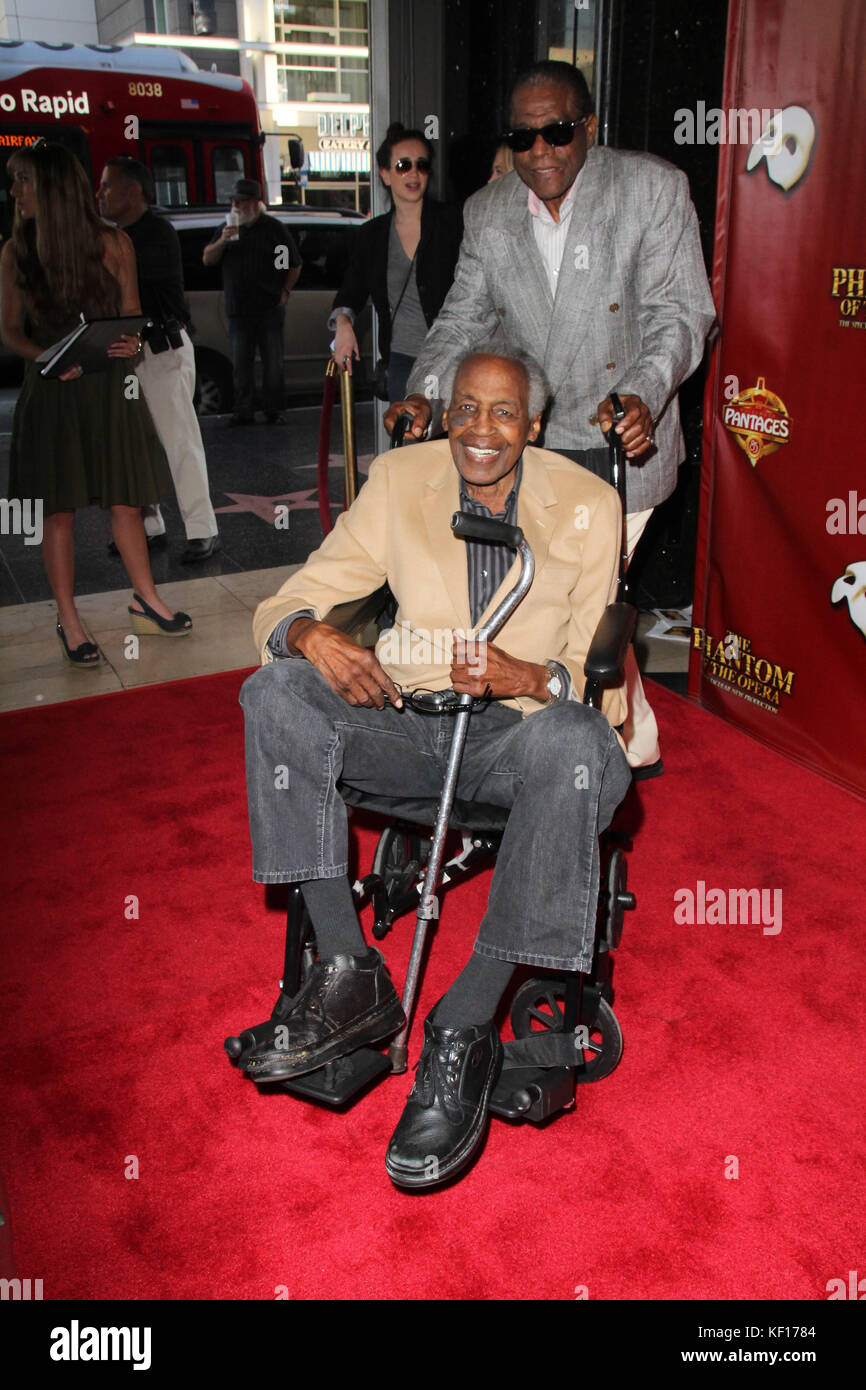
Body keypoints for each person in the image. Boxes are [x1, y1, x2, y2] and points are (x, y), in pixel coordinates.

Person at [236, 348, 632, 1189]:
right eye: (465, 409)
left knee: (571, 743)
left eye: (502, 414)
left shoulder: (590, 505)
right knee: (275, 693)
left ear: (531, 425)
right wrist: (310, 634)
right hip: (410, 723)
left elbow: (596, 678)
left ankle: (464, 1023)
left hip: (520, 738)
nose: (478, 430)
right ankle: (348, 976)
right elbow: (295, 595)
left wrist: (533, 678)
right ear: (446, 411)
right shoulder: (400, 479)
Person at [386, 60, 717, 776]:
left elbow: (682, 315)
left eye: (558, 133)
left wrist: (641, 393)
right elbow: (461, 321)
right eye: (524, 136)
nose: (540, 152)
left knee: (588, 602)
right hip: (528, 446)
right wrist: (428, 391)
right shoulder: (489, 210)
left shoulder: (652, 190)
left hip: (618, 443)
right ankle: (628, 734)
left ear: (589, 128)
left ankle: (600, 753)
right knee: (569, 603)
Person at [0, 142, 192, 665]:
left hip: (109, 387)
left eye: (22, 180)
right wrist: (50, 356)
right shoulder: (16, 252)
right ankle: (69, 619)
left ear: (53, 187)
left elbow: (131, 314)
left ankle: (147, 599)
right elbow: (10, 333)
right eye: (13, 181)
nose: (14, 191)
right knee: (56, 510)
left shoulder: (113, 244)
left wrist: (130, 343)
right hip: (52, 388)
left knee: (126, 499)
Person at [97, 156, 221, 563]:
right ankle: (150, 527)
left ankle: (203, 530)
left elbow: (139, 289)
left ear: (133, 191)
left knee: (179, 441)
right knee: (136, 444)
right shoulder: (114, 236)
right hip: (125, 354)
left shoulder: (156, 234)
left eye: (107, 186)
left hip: (161, 349)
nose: (99, 194)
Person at [329, 122, 463, 402]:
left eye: (421, 165)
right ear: (385, 174)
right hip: (403, 359)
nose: (413, 173)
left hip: (453, 357)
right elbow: (351, 292)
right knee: (407, 441)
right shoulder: (371, 236)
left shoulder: (452, 223)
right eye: (403, 165)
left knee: (451, 443)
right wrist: (343, 325)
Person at [202, 178, 301, 426]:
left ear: (255, 204)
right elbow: (207, 259)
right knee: (240, 364)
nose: (236, 207)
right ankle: (243, 409)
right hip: (238, 309)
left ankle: (274, 409)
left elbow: (292, 263)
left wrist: (284, 291)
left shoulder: (273, 229)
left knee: (273, 364)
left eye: (241, 202)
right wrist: (223, 240)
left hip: (268, 307)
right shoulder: (228, 228)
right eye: (234, 202)